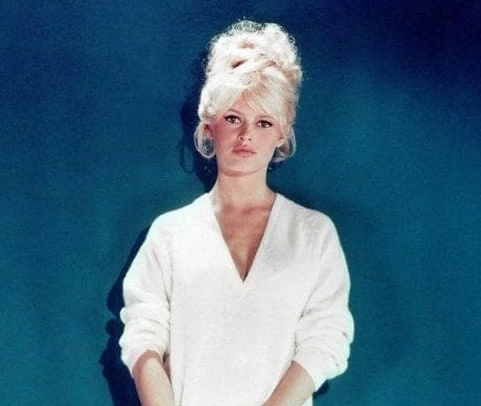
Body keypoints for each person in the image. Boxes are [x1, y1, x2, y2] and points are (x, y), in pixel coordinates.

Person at [119, 20, 354, 406]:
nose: (246, 135)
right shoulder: (171, 234)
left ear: (282, 133)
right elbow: (142, 335)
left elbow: (326, 339)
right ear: (209, 126)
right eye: (233, 118)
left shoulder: (312, 234)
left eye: (263, 122)